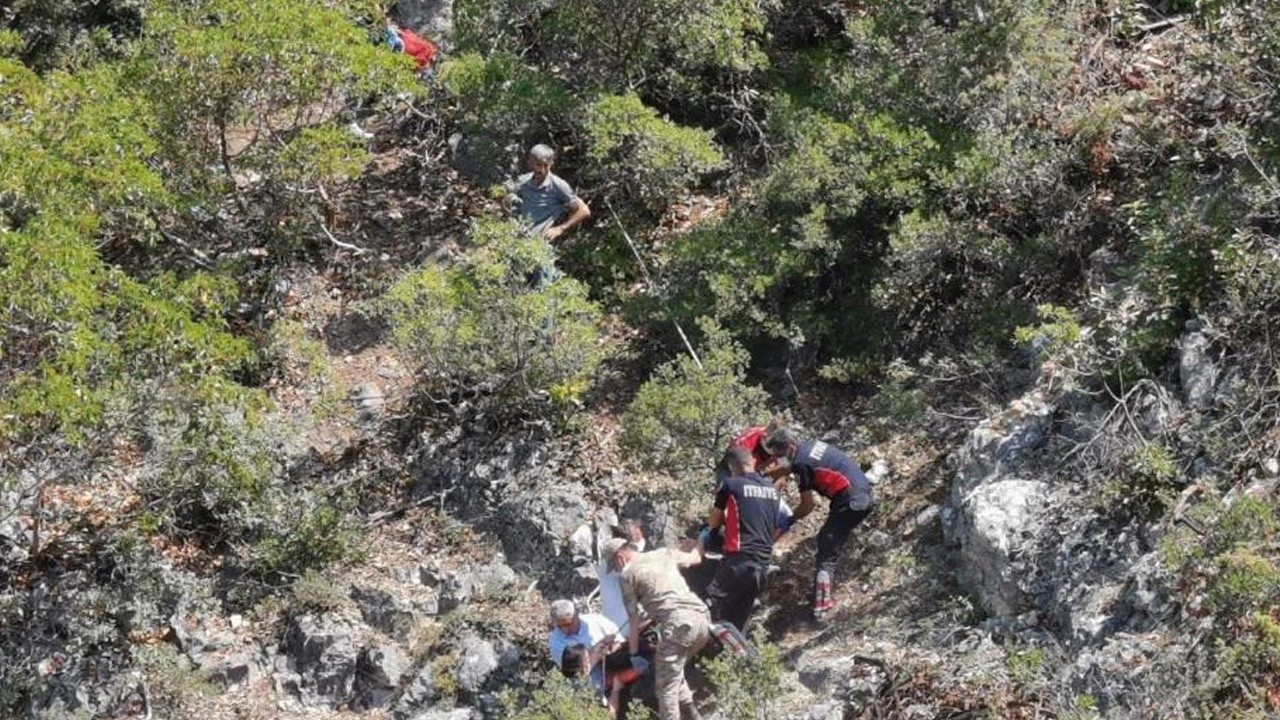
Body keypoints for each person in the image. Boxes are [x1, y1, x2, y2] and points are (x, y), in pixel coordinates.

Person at [763, 427, 874, 622]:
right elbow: (790, 468)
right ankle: (819, 592)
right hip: (862, 492)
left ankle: (822, 607)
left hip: (850, 500)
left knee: (826, 546)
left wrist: (787, 521)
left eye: (779, 455)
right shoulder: (810, 445)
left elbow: (808, 506)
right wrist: (768, 477)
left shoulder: (800, 463)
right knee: (830, 540)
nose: (778, 459)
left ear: (789, 448)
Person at [605, 538, 708, 720]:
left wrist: (634, 655)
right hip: (701, 619)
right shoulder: (662, 553)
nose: (615, 570)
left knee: (665, 689)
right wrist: (702, 539)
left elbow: (633, 619)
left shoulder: (627, 576)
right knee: (672, 673)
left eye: (613, 565)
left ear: (619, 557)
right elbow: (695, 558)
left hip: (677, 624)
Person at [701, 446, 787, 633]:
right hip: (762, 566)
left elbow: (714, 521)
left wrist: (712, 531)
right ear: (753, 462)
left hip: (739, 561)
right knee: (737, 623)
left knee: (708, 609)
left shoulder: (731, 485)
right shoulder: (773, 491)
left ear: (732, 467)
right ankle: (736, 660)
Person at [510, 144, 592, 242]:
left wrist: (560, 228)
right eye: (539, 165)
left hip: (541, 244)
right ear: (531, 163)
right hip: (520, 239)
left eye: (546, 165)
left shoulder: (557, 185)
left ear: (551, 164)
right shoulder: (523, 181)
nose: (542, 170)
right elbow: (503, 195)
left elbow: (584, 210)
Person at [547, 599, 627, 692]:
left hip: (615, 660)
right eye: (559, 626)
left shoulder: (595, 620)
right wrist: (598, 650)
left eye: (568, 624)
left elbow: (619, 639)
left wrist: (615, 645)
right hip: (591, 677)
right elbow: (577, 673)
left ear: (576, 615)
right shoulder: (556, 641)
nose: (565, 630)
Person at [561, 643, 647, 719]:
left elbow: (592, 660)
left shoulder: (576, 673)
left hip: (605, 675)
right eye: (587, 659)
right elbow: (610, 716)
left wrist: (600, 648)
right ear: (583, 665)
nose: (589, 659)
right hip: (609, 689)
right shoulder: (587, 692)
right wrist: (615, 690)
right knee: (628, 675)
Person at [599, 518, 647, 628]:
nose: (642, 537)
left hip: (617, 623)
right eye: (638, 534)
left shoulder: (609, 561)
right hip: (624, 625)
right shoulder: (618, 561)